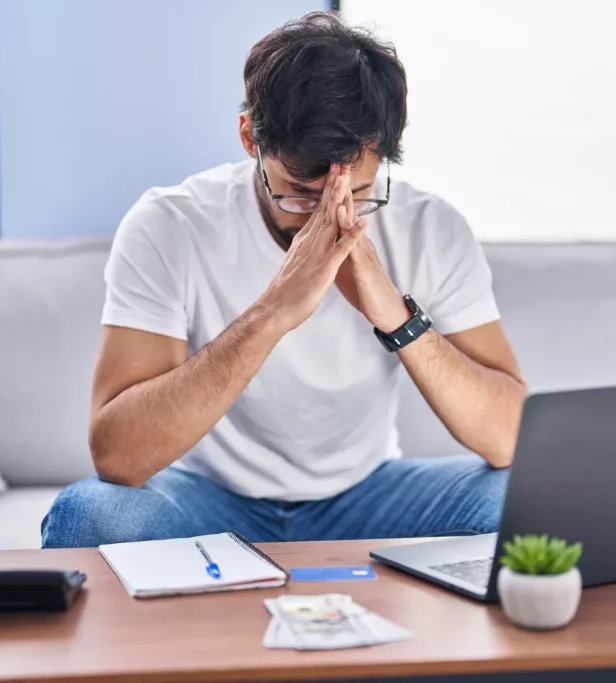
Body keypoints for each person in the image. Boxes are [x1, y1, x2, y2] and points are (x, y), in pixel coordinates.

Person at [41, 12, 526, 548]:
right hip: (209, 498)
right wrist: (272, 313)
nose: (330, 217)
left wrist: (396, 317)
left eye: (358, 191)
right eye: (300, 192)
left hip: (368, 494)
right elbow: (118, 457)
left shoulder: (432, 227)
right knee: (88, 515)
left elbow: (509, 439)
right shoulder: (169, 224)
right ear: (250, 137)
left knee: (520, 501)